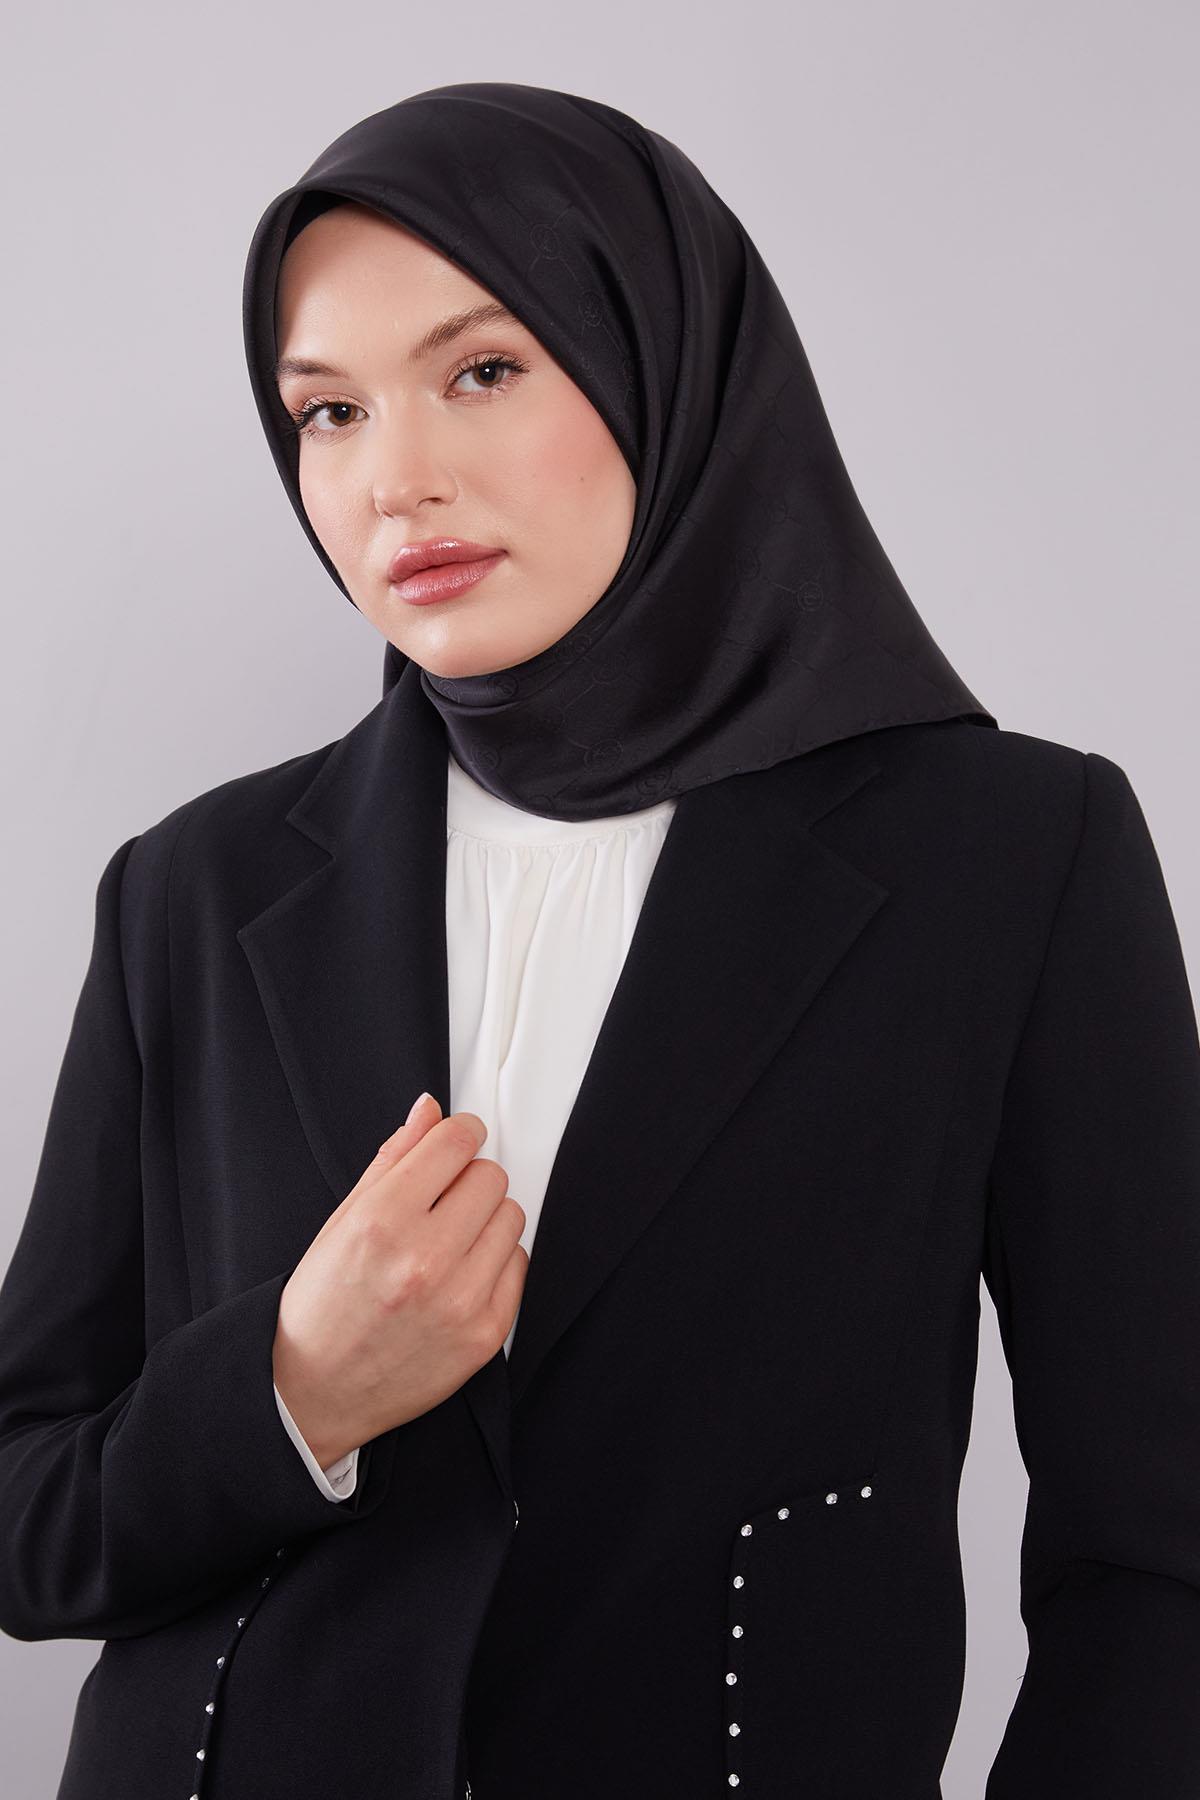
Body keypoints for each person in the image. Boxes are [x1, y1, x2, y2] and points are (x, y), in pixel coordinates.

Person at [1, 80, 1198, 1800]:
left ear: (660, 360)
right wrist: (291, 1390)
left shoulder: (1009, 860)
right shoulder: (192, 887)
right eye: (326, 412)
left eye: (484, 370)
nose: (396, 480)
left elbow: (1154, 1552)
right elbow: (25, 1508)